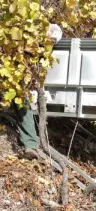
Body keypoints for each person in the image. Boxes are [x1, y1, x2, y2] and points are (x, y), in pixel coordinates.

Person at [0, 24, 63, 160]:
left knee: (23, 102)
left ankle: (30, 145)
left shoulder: (43, 42)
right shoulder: (20, 29)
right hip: (7, 68)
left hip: (17, 78)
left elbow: (55, 35)